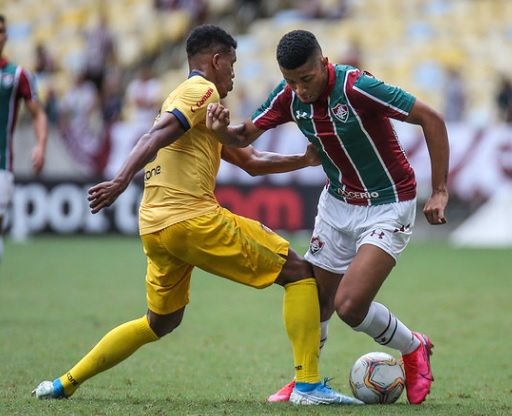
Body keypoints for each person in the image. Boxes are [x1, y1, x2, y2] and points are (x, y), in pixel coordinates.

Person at [31, 24, 363, 406]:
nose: (234, 73)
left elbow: (250, 161)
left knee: (161, 322)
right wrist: (121, 179)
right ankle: (308, 386)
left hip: (155, 227)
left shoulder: (196, 104)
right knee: (300, 272)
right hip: (189, 217)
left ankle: (65, 382)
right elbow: (151, 138)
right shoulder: (199, 90)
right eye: (232, 64)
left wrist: (303, 161)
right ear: (216, 61)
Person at [206, 29, 450, 405]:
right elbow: (243, 138)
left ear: (323, 63)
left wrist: (439, 190)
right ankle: (307, 382)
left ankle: (413, 346)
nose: (300, 89)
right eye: (291, 81)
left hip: (388, 203)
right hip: (337, 204)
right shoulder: (289, 96)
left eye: (306, 79)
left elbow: (431, 119)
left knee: (350, 306)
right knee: (316, 300)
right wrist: (221, 130)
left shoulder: (357, 87)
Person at [0, 14, 48, 261]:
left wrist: (40, 146)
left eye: (1, 31)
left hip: (1, 165)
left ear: (6, 37)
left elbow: (38, 114)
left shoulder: (16, 75)